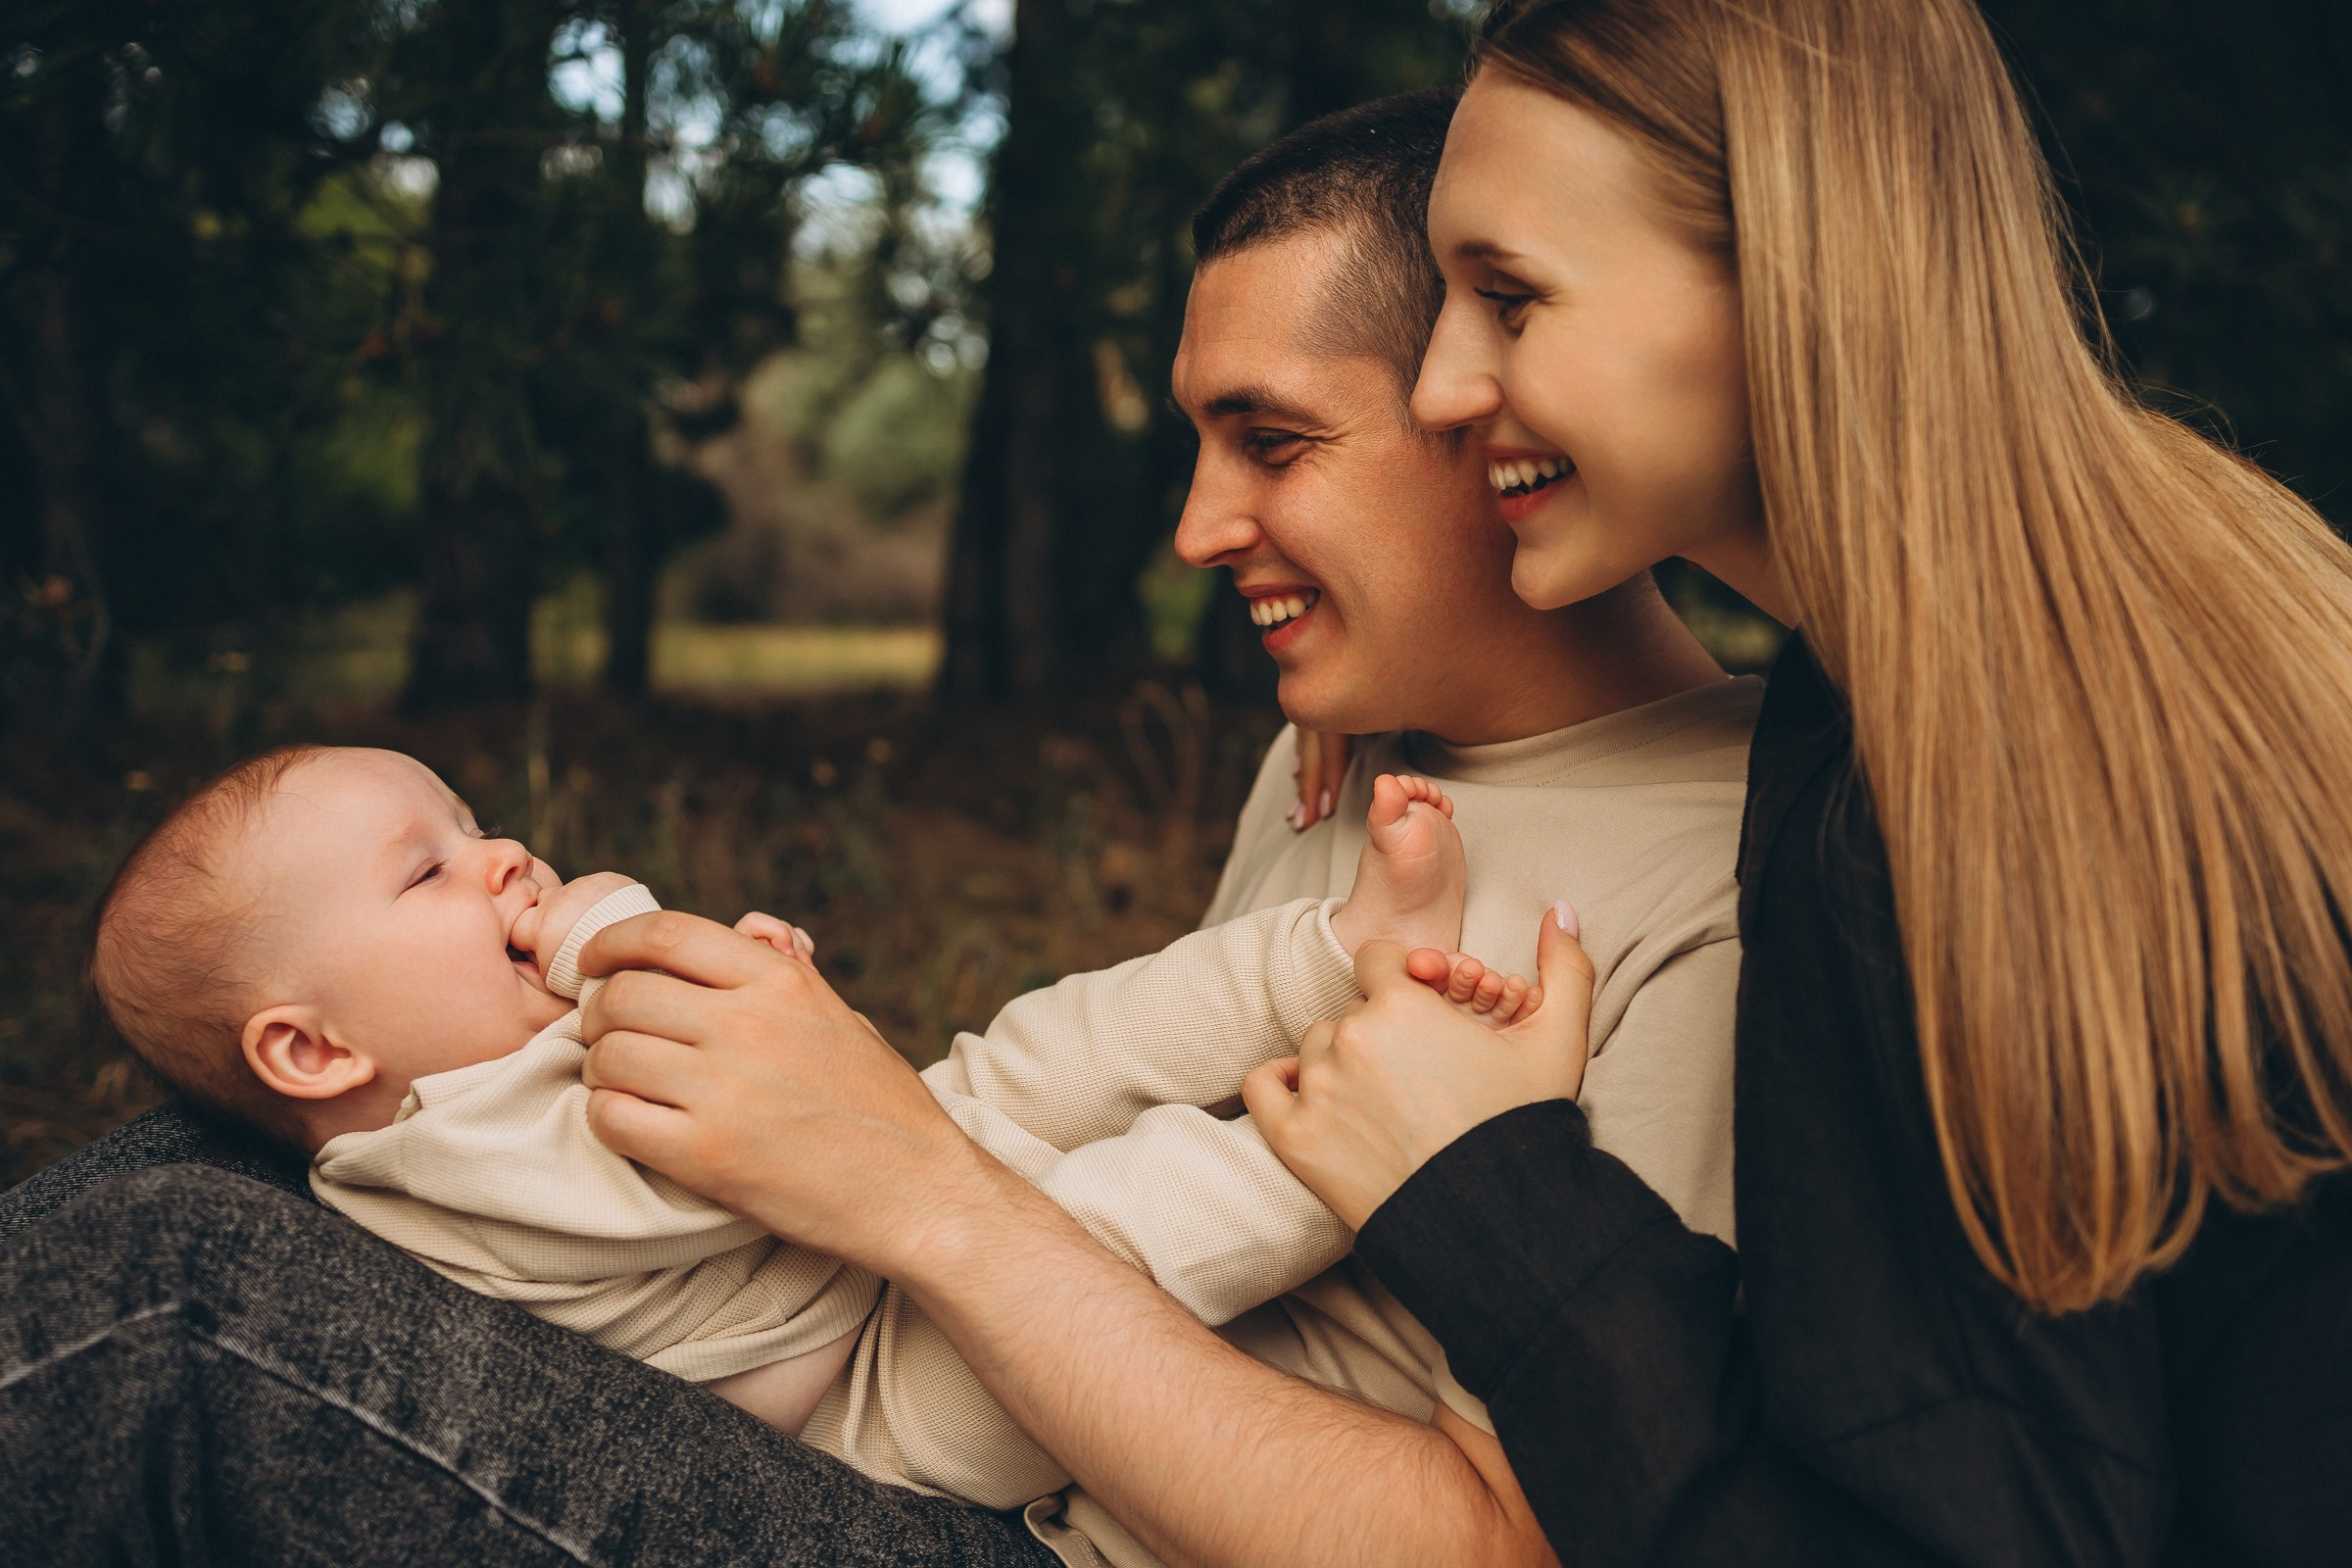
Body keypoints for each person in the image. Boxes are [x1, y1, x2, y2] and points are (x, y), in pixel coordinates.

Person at [0, 91, 1722, 1568]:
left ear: (1486, 412)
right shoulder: (1350, 742)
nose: (1200, 528)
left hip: (1019, 1523)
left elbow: (1515, 1541)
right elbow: (1128, 1081)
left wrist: (909, 1185)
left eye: (1270, 441)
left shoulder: (1725, 886)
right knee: (236, 1145)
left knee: (186, 1284)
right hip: (946, 1399)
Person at [1240, 1, 2352, 1564]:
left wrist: (1485, 1185)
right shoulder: (2209, 596)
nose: (1437, 383)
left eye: (1507, 297)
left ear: (1786, 278)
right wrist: (1401, 659)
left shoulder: (1943, 811)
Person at [83, 739, 1493, 1508]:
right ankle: (1373, 1136)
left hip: (865, 1230)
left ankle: (1327, 947)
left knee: (1061, 1044)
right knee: (1131, 1227)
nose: (503, 855)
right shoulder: (430, 1157)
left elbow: (787, 1129)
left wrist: (759, 1002)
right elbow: (702, 1181)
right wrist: (643, 949)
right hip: (868, 1407)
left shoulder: (509, 1057)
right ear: (313, 1050)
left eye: (475, 820)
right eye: (429, 871)